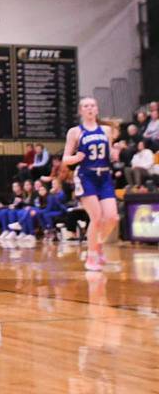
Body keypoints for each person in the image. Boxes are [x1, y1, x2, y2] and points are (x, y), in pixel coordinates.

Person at [63, 97, 118, 271]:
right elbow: (65, 159)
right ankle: (91, 257)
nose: (90, 108)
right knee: (96, 217)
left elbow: (108, 154)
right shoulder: (75, 132)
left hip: (104, 176)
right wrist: (76, 158)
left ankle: (98, 243)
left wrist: (114, 154)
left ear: (97, 109)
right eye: (86, 106)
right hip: (86, 176)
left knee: (112, 217)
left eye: (92, 105)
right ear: (81, 111)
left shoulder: (107, 130)